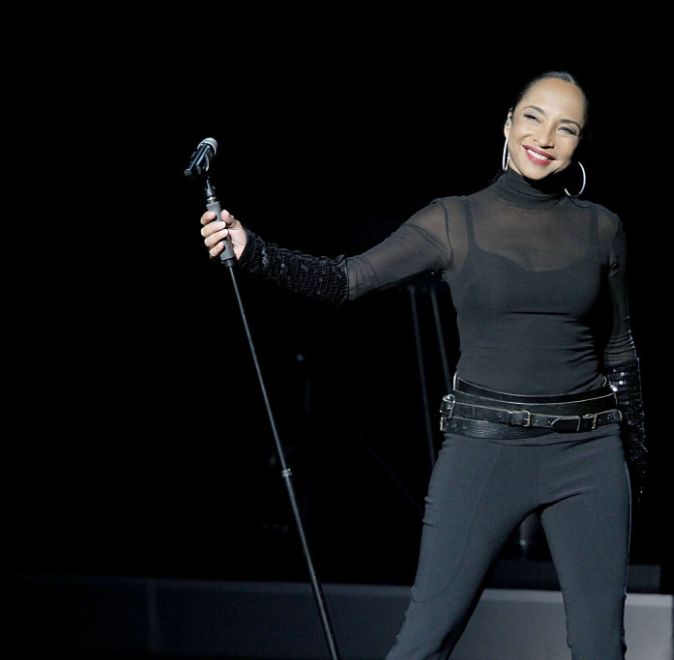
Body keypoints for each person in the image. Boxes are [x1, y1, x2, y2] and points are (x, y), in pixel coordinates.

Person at [200, 71, 648, 659]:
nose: (546, 137)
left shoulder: (602, 228)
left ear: (578, 144)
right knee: (422, 643)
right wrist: (252, 250)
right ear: (508, 123)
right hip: (485, 450)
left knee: (600, 648)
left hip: (589, 455)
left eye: (566, 128)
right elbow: (347, 280)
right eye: (534, 117)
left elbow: (619, 350)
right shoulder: (452, 220)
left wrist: (633, 459)